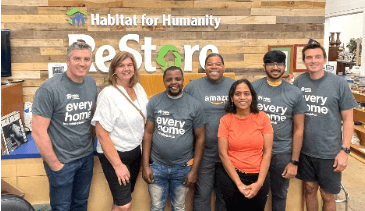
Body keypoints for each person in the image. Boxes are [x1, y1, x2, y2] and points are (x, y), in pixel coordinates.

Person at [32, 41, 97, 211]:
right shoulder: (49, 89)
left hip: (85, 158)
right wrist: (55, 164)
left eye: (86, 59)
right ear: (67, 61)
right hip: (62, 161)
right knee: (61, 208)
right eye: (77, 58)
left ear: (91, 62)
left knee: (81, 204)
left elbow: (89, 121)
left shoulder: (91, 85)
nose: (82, 63)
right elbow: (38, 132)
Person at [293, 44, 358, 211]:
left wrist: (345, 150)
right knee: (309, 189)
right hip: (305, 151)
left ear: (324, 59)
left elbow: (349, 120)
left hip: (330, 152)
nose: (313, 61)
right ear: (304, 61)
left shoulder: (338, 84)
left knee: (328, 195)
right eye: (309, 57)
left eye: (317, 57)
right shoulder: (299, 82)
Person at [142, 66, 206, 211]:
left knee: (179, 206)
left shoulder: (194, 105)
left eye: (177, 79)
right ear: (163, 81)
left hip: (183, 167)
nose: (174, 82)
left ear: (183, 81)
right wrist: (145, 166)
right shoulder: (154, 102)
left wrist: (194, 170)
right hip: (157, 166)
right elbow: (148, 133)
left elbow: (201, 138)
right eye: (169, 79)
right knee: (156, 207)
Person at [91, 52, 148, 211]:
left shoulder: (137, 87)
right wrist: (118, 165)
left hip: (135, 152)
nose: (126, 69)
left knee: (123, 198)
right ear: (114, 69)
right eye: (121, 65)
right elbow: (101, 133)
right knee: (124, 205)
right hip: (116, 154)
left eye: (129, 65)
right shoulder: (108, 94)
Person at [252, 50, 307, 211]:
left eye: (279, 64)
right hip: (256, 151)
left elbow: (299, 128)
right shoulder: (253, 88)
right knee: (255, 192)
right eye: (271, 64)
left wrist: (294, 161)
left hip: (282, 152)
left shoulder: (294, 93)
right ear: (264, 66)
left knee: (280, 194)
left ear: (284, 66)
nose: (275, 67)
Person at [184, 53, 235, 211]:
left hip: (229, 152)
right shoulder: (193, 87)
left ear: (223, 67)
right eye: (210, 64)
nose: (214, 67)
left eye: (218, 64)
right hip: (204, 152)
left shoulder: (234, 85)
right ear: (204, 68)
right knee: (202, 193)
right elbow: (183, 113)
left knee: (225, 194)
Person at [216, 79, 273, 211]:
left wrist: (259, 183)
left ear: (252, 96)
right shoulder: (225, 120)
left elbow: (267, 152)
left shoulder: (263, 118)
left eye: (246, 93)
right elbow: (223, 154)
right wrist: (239, 184)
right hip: (232, 177)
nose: (242, 97)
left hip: (258, 175)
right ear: (232, 97)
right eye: (238, 94)